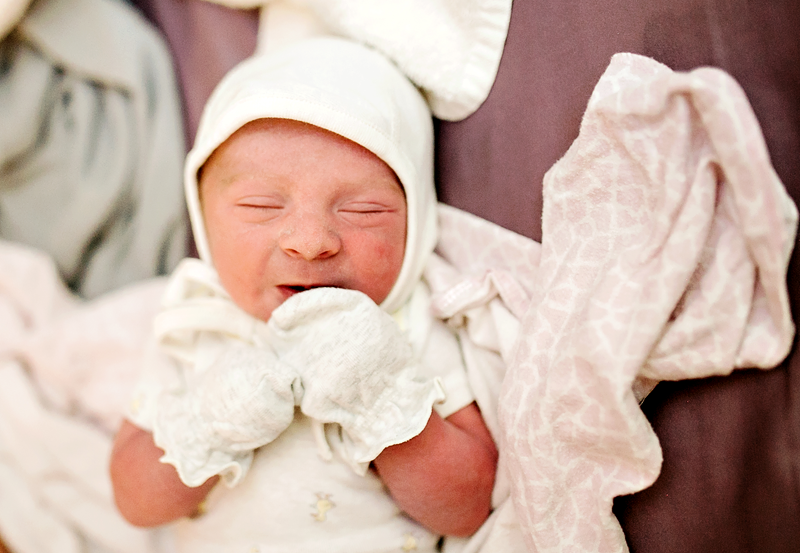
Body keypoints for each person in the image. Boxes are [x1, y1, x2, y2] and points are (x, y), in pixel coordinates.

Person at [109, 36, 498, 552]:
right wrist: (208, 422)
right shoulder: (197, 324)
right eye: (261, 206)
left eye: (362, 210)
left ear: (417, 223)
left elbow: (468, 510)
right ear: (203, 221)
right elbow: (135, 501)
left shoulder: (409, 325)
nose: (311, 242)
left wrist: (382, 400)